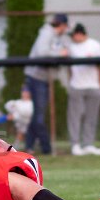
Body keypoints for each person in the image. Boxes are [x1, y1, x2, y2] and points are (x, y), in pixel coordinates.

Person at [22, 13, 69, 154]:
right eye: (65, 26)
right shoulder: (47, 33)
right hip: (37, 77)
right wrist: (60, 54)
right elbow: (42, 52)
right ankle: (46, 148)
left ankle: (29, 146)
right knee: (39, 116)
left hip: (45, 78)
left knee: (37, 114)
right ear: (62, 25)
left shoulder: (57, 37)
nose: (66, 29)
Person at [62, 23, 100, 156]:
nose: (72, 38)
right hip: (77, 86)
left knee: (91, 117)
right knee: (75, 117)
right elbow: (69, 68)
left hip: (93, 86)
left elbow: (99, 66)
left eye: (73, 35)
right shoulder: (71, 47)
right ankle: (75, 145)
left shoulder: (95, 45)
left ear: (80, 34)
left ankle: (88, 144)